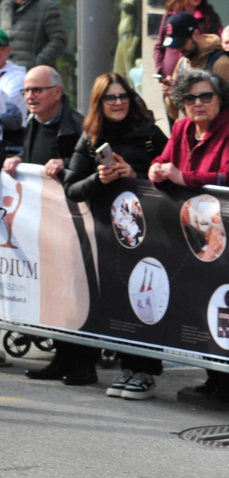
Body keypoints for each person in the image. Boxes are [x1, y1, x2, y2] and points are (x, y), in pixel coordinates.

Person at [62, 72, 167, 399]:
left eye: (123, 96)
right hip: (109, 236)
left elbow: (172, 181)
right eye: (111, 97)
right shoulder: (91, 137)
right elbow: (72, 188)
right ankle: (128, 369)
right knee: (120, 303)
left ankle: (145, 373)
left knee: (145, 300)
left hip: (151, 235)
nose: (119, 102)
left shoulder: (150, 134)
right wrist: (100, 178)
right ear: (100, 102)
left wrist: (134, 176)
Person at [3, 66, 89, 384]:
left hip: (75, 223)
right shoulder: (33, 122)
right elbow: (31, 162)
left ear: (57, 92)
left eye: (36, 90)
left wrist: (67, 165)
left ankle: (83, 364)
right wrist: (17, 162)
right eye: (26, 91)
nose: (29, 96)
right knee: (54, 292)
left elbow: (88, 166)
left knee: (74, 292)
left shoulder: (78, 125)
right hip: (45, 224)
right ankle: (62, 358)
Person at [148, 69, 229, 190]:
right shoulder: (180, 126)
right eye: (190, 98)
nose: (197, 103)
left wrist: (182, 177)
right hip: (183, 205)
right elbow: (163, 160)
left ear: (220, 99)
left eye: (205, 96)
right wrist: (155, 169)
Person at [152, 0, 221, 97]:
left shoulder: (210, 17)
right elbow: (159, 47)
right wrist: (161, 71)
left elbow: (219, 45)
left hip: (198, 81)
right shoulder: (170, 16)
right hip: (171, 82)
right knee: (174, 115)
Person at [162, 12, 229, 121]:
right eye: (176, 46)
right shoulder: (183, 63)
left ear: (196, 34)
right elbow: (175, 114)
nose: (179, 49)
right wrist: (171, 94)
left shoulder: (221, 64)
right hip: (191, 133)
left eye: (182, 43)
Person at [0, 0, 66, 69]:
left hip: (34, 77)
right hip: (6, 75)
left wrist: (36, 65)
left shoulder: (47, 7)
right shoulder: (3, 7)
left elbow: (59, 40)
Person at [0, 28, 28, 158]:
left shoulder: (18, 76)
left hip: (11, 144)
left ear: (8, 50)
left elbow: (4, 107)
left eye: (0, 48)